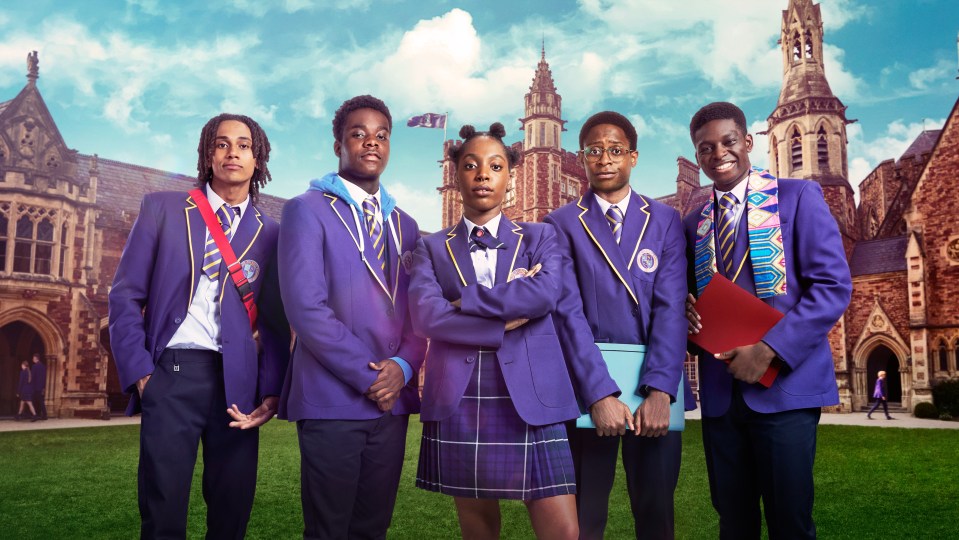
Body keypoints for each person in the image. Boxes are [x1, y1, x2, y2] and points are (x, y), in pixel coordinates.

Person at [108, 113, 290, 539]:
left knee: (232, 512)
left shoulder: (272, 233)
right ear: (208, 154)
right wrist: (140, 374)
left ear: (258, 159)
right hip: (171, 374)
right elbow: (124, 295)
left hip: (237, 383)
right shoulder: (163, 209)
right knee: (163, 510)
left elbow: (278, 323)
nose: (232, 153)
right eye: (221, 143)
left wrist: (271, 390)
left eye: (244, 145)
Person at [683, 102, 852, 539]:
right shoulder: (693, 223)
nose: (718, 153)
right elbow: (688, 298)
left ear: (748, 142)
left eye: (728, 141)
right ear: (697, 156)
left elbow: (832, 286)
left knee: (789, 521)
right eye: (706, 148)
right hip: (721, 396)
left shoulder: (796, 197)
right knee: (733, 522)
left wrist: (770, 349)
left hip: (784, 391)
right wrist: (683, 311)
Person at [409, 123, 579, 539]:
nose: (483, 174)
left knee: (564, 531)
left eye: (495, 165)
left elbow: (544, 295)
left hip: (534, 392)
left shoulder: (541, 235)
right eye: (471, 165)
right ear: (457, 175)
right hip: (461, 396)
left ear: (510, 175)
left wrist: (465, 301)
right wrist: (501, 322)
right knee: (478, 529)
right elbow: (427, 318)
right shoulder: (430, 247)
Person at [277, 95, 426, 540]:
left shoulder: (407, 225)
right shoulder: (306, 209)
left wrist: (402, 368)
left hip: (392, 400)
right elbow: (306, 309)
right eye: (358, 134)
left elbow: (422, 314)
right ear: (338, 143)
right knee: (328, 530)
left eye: (381, 135)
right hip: (333, 396)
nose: (371, 143)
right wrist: (370, 377)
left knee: (372, 527)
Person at [544, 111, 689, 540]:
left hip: (653, 394)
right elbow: (566, 313)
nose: (605, 159)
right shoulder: (560, 224)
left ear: (634, 156)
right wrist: (599, 394)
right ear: (581, 157)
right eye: (594, 151)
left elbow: (671, 307)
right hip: (588, 393)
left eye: (615, 150)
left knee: (657, 518)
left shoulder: (664, 220)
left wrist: (662, 390)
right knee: (584, 521)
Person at [30, 353, 47, 420]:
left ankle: (35, 414)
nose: (32, 359)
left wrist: (30, 385)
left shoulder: (34, 366)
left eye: (33, 358)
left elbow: (32, 377)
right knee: (40, 401)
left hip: (35, 387)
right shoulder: (43, 366)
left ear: (36, 359)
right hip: (41, 386)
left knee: (33, 401)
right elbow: (44, 377)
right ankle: (43, 414)